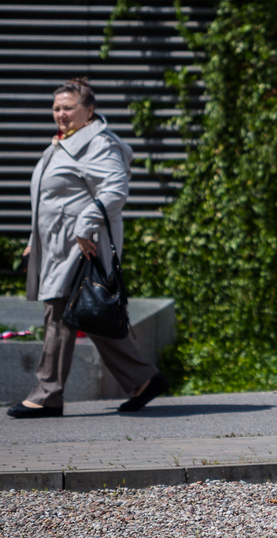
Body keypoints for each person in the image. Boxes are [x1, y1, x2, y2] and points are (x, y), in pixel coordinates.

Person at [6, 79, 169, 419]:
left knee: (60, 312)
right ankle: (143, 379)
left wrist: (83, 226)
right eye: (56, 108)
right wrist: (34, 242)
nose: (61, 114)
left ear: (89, 110)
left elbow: (115, 189)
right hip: (59, 244)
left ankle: (47, 394)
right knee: (86, 311)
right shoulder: (65, 142)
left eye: (68, 108)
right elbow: (51, 200)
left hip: (83, 244)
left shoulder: (98, 143)